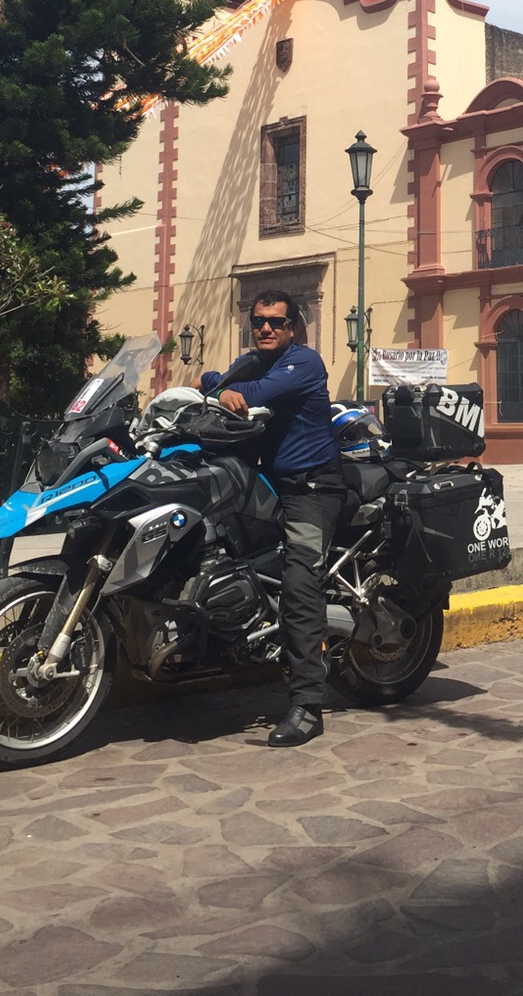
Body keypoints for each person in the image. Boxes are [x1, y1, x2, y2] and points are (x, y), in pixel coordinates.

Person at [210, 289, 344, 748]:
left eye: (276, 322)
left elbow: (254, 393)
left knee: (300, 584)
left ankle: (308, 705)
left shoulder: (303, 362)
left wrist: (225, 388)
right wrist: (214, 386)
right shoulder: (255, 362)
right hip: (268, 483)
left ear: (294, 328)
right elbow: (217, 380)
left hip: (312, 487)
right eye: (258, 321)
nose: (265, 328)